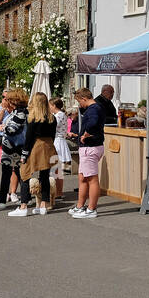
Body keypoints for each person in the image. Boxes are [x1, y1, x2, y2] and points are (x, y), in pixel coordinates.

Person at [11, 92, 57, 217]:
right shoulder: (52, 118)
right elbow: (53, 135)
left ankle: (23, 205)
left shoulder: (33, 118)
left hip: (35, 147)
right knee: (45, 176)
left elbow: (29, 138)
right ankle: (44, 204)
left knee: (25, 174)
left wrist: (24, 154)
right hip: (48, 146)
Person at [70, 87, 105, 219]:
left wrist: (86, 134)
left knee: (92, 179)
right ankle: (80, 206)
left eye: (79, 101)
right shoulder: (96, 108)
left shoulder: (94, 109)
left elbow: (93, 122)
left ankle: (91, 209)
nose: (80, 105)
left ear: (84, 98)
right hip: (91, 147)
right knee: (83, 177)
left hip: (90, 147)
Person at [51, 97, 71, 207]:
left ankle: (58, 192)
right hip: (59, 140)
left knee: (56, 169)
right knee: (57, 170)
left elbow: (53, 127)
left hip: (57, 141)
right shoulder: (62, 115)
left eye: (50, 106)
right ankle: (58, 191)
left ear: (54, 106)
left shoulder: (58, 116)